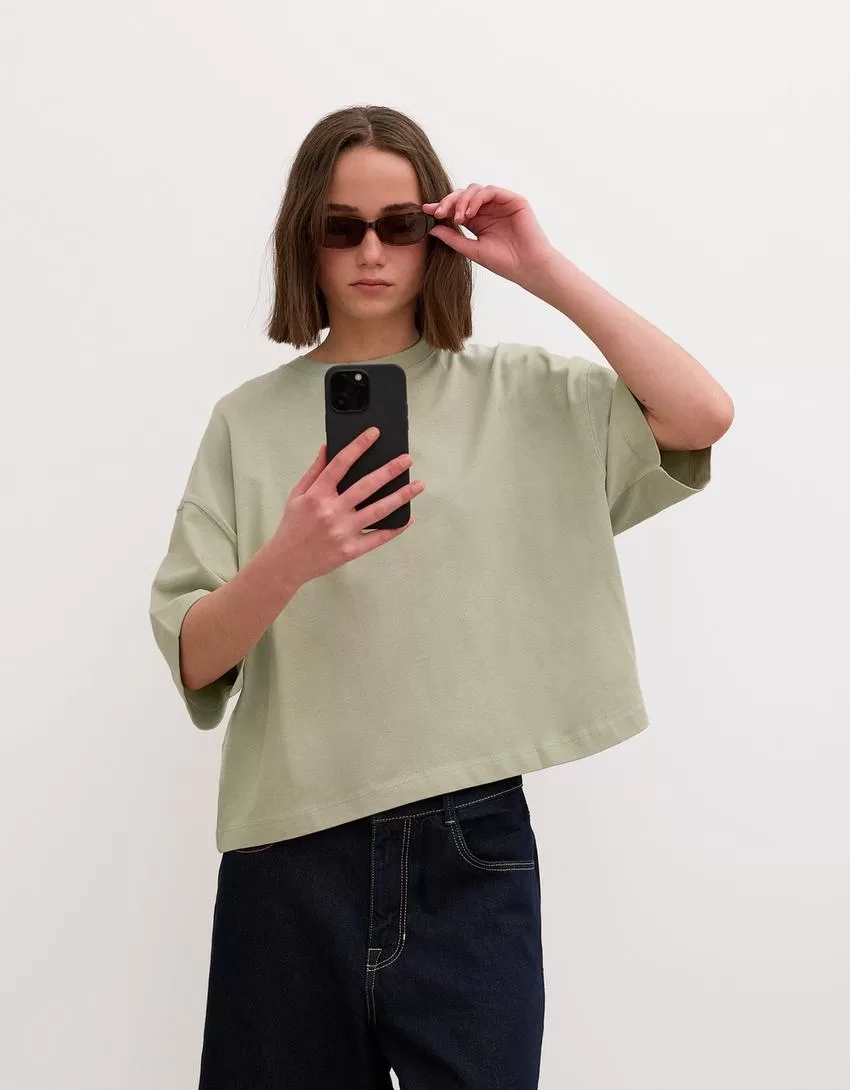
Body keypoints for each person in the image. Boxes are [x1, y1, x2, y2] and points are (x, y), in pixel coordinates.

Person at [148, 104, 731, 1090]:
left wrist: (540, 267)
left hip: (471, 849)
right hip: (288, 857)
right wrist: (288, 557)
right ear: (305, 239)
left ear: (437, 236)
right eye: (341, 227)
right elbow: (195, 653)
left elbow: (700, 414)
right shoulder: (246, 423)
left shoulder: (524, 393)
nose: (371, 251)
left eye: (400, 224)